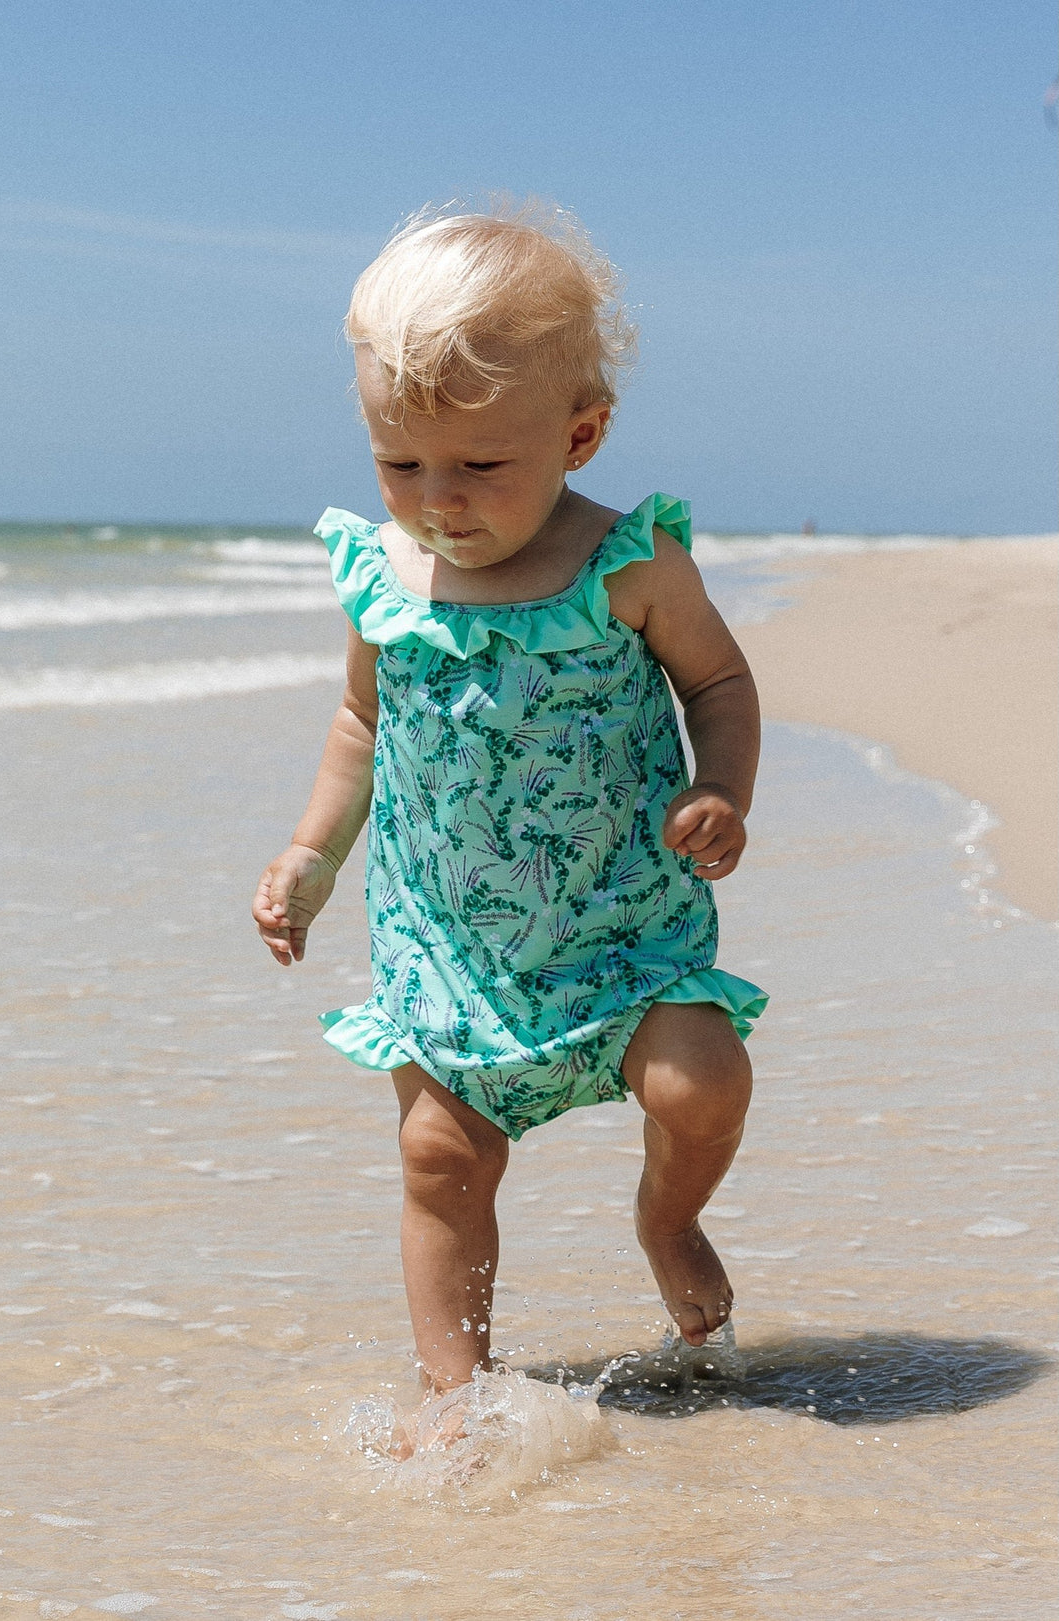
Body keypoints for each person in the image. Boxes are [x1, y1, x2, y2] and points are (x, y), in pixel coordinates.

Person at [252, 203, 767, 1407]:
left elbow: (720, 681)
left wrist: (722, 788)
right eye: (400, 461)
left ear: (581, 435)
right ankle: (457, 1398)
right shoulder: (382, 578)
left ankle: (668, 1216)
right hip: (451, 946)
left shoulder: (628, 566)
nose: (439, 498)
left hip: (623, 929)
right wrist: (311, 855)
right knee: (440, 1157)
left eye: (481, 464)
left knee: (706, 1083)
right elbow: (361, 724)